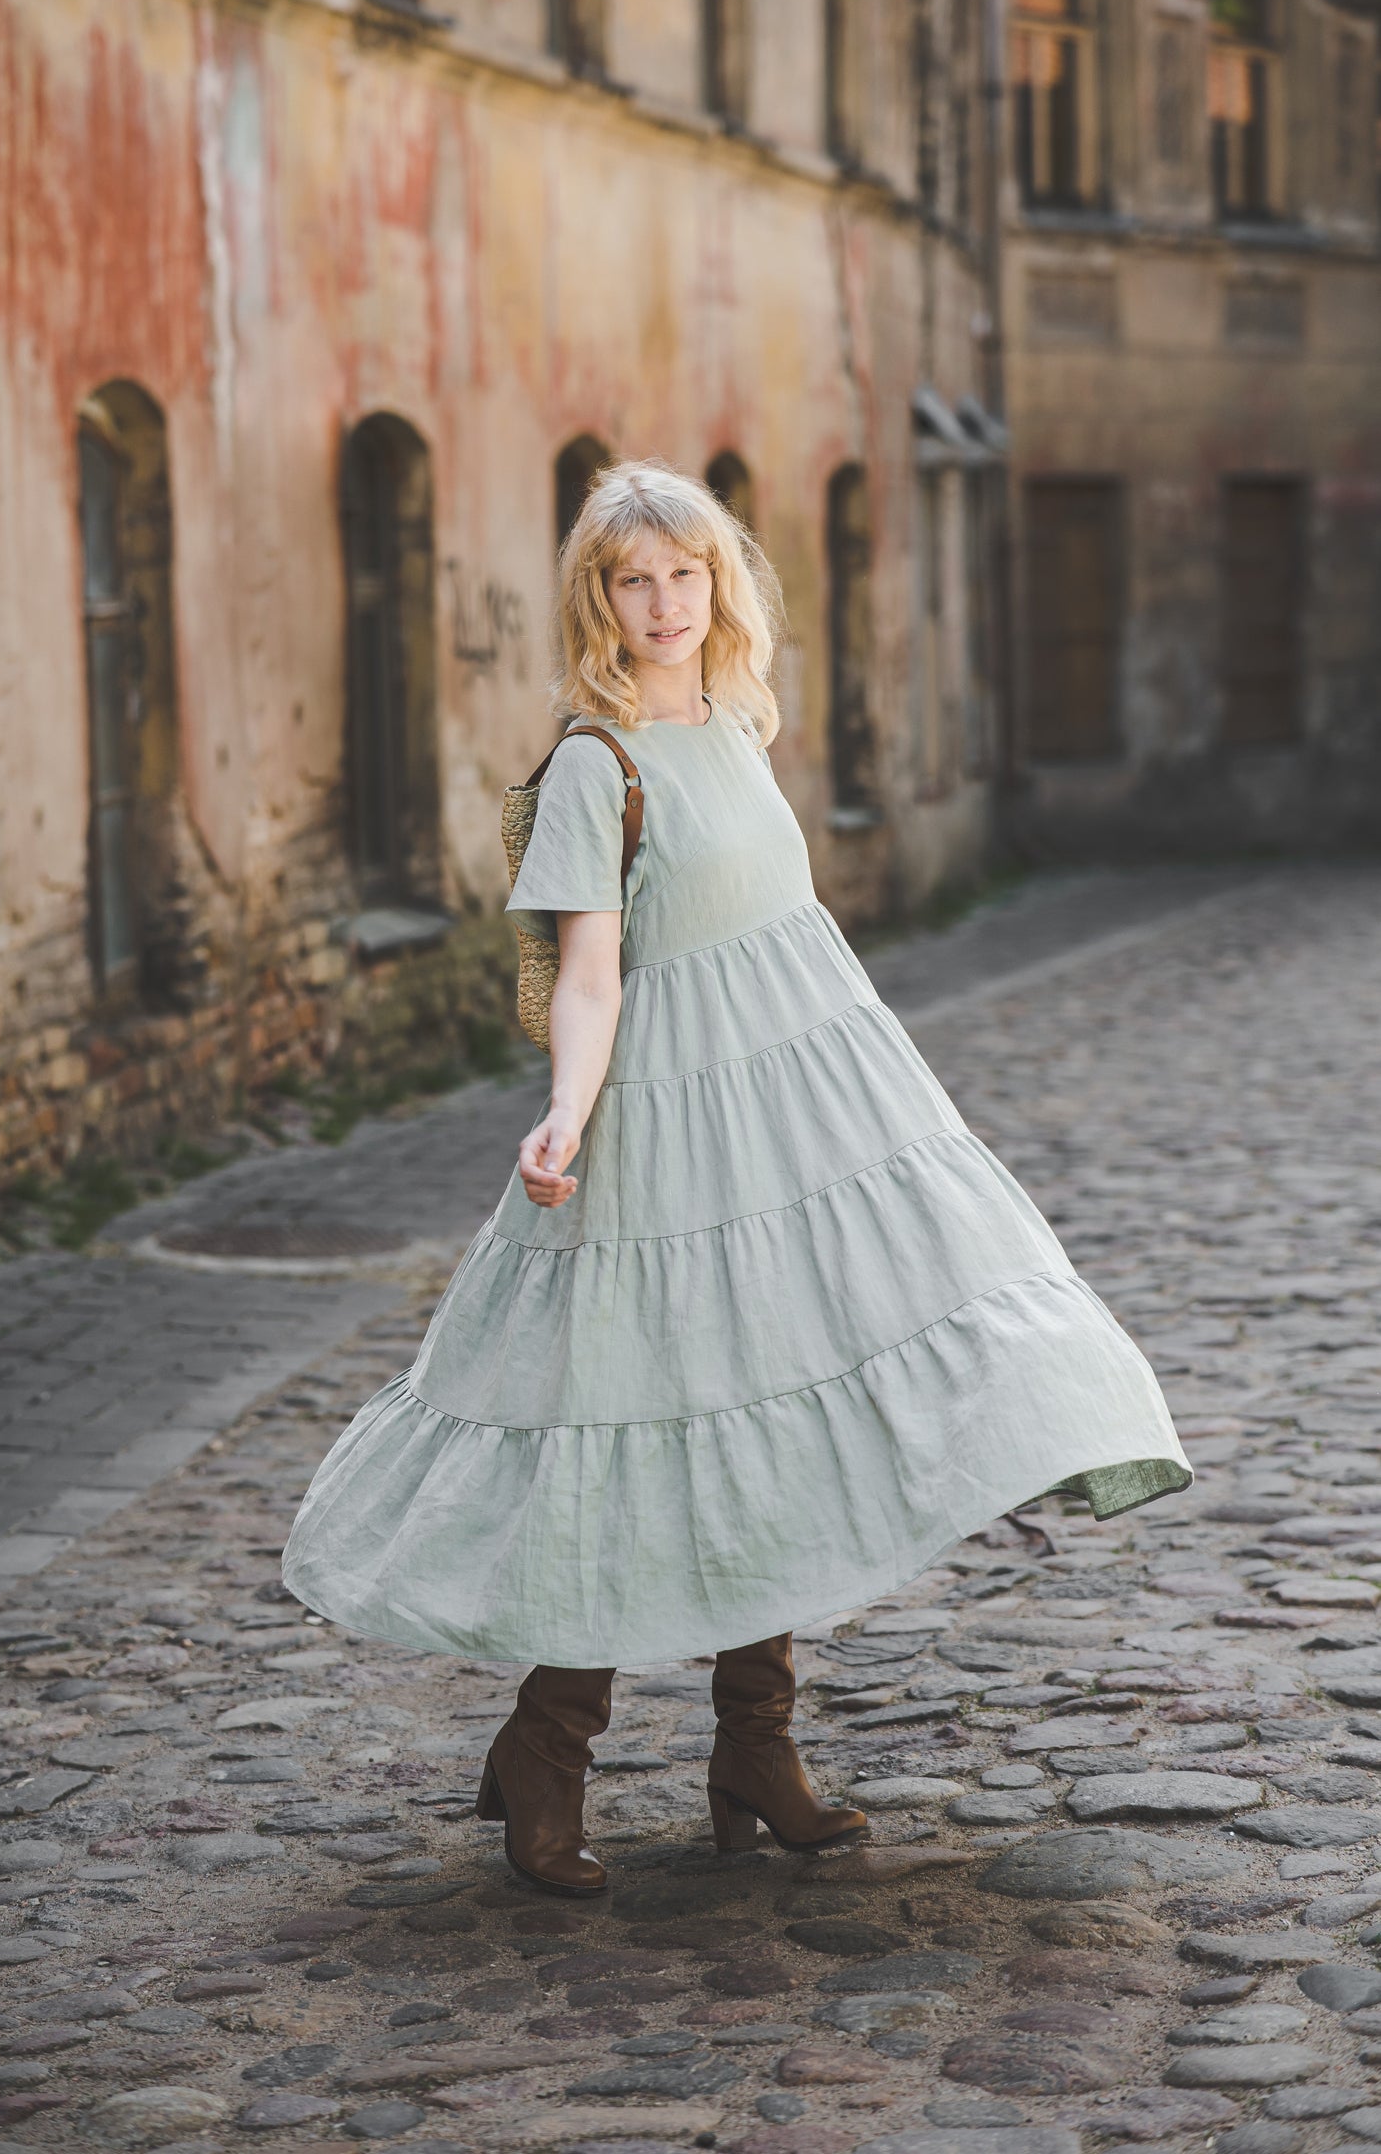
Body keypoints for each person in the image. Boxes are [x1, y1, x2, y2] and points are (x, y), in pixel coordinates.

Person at [283, 458, 1192, 1896]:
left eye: (684, 574)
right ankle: (548, 1745)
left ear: (719, 585)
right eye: (632, 579)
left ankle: (753, 1750)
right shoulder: (598, 762)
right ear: (598, 595)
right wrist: (564, 1116)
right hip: (667, 1127)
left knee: (780, 1389)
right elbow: (589, 975)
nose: (660, 603)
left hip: (807, 1107)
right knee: (635, 1412)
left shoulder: (735, 724)